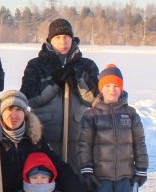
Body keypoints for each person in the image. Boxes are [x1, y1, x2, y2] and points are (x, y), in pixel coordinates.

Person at [77, 64, 149, 192]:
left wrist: (141, 168)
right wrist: (87, 169)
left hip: (125, 174)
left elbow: (140, 143)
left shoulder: (130, 114)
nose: (112, 90)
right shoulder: (91, 115)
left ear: (121, 88)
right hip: (101, 175)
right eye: (107, 86)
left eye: (116, 86)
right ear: (101, 88)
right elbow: (84, 145)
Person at [20, 18, 99, 173]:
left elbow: (94, 100)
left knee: (76, 184)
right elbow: (29, 99)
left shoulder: (86, 65)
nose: (63, 41)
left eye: (66, 37)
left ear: (72, 39)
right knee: (47, 182)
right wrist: (54, 83)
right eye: (57, 38)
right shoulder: (36, 65)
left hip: (77, 138)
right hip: (44, 137)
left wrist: (79, 80)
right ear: (50, 40)